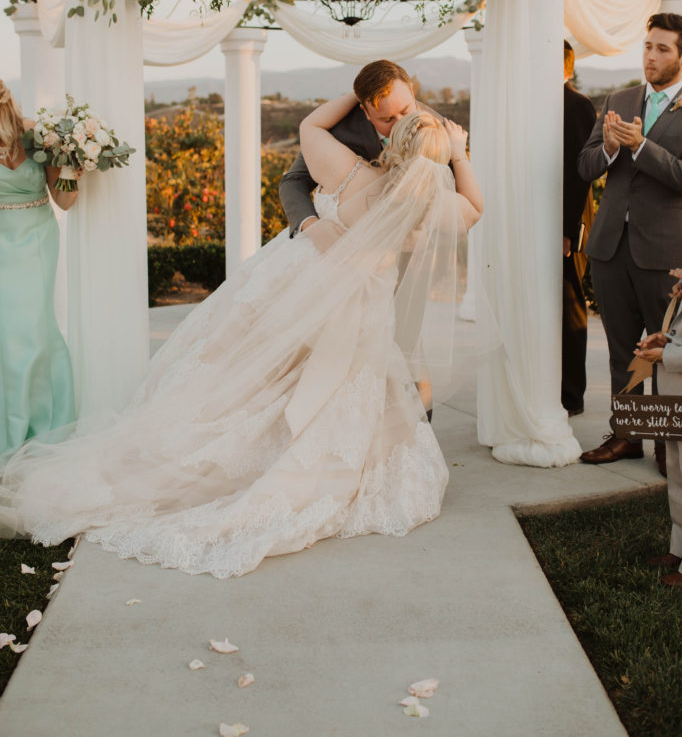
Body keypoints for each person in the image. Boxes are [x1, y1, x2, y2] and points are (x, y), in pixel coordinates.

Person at [0, 96, 483, 579]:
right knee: (339, 398)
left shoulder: (354, 175)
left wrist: (365, 100)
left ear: (393, 142)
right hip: (363, 320)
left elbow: (310, 129)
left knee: (279, 389)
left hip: (318, 304)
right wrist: (457, 151)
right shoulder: (425, 209)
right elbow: (474, 208)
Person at [577, 13, 682, 474]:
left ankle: (668, 446)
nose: (651, 56)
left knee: (667, 355)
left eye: (662, 49)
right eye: (647, 47)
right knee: (622, 350)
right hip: (609, 248)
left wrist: (641, 147)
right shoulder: (619, 98)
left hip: (664, 252)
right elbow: (585, 166)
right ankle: (627, 437)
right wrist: (613, 150)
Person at [0, 81, 80, 454]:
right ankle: (10, 431)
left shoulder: (36, 134)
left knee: (34, 328)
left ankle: (48, 427)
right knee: (9, 335)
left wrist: (70, 170)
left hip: (37, 239)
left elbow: (63, 201)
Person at [279, 59, 418, 237]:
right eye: (387, 119)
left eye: (405, 111)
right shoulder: (342, 128)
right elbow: (293, 182)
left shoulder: (438, 129)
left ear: (412, 91)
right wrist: (313, 228)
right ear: (366, 112)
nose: (401, 124)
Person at [634, 268, 682, 588]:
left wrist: (667, 354)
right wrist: (668, 338)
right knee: (678, 473)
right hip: (676, 394)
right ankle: (679, 549)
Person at [562, 42, 597, 416]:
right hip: (548, 222)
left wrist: (569, 231)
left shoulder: (577, 105)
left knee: (570, 306)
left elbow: (581, 175)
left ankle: (571, 397)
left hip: (571, 227)